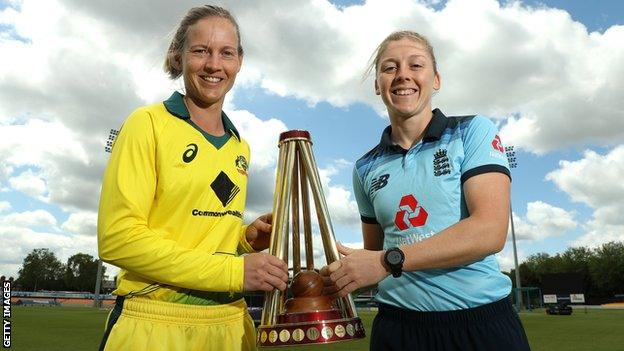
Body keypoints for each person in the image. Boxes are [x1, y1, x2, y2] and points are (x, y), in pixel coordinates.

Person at [321, 31, 531, 351]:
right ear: (378, 84)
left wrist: (388, 260)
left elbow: (490, 230)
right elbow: (376, 257)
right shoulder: (364, 168)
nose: (403, 74)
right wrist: (341, 273)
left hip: (480, 325)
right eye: (390, 68)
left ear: (435, 80)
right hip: (397, 329)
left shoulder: (471, 131)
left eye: (415, 65)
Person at [97, 5, 288, 351]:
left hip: (231, 323)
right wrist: (235, 273)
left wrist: (245, 240)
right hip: (155, 322)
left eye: (226, 53)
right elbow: (118, 238)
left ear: (239, 62)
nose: (214, 65)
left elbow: (203, 236)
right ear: (178, 57)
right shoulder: (148, 123)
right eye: (201, 51)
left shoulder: (239, 146)